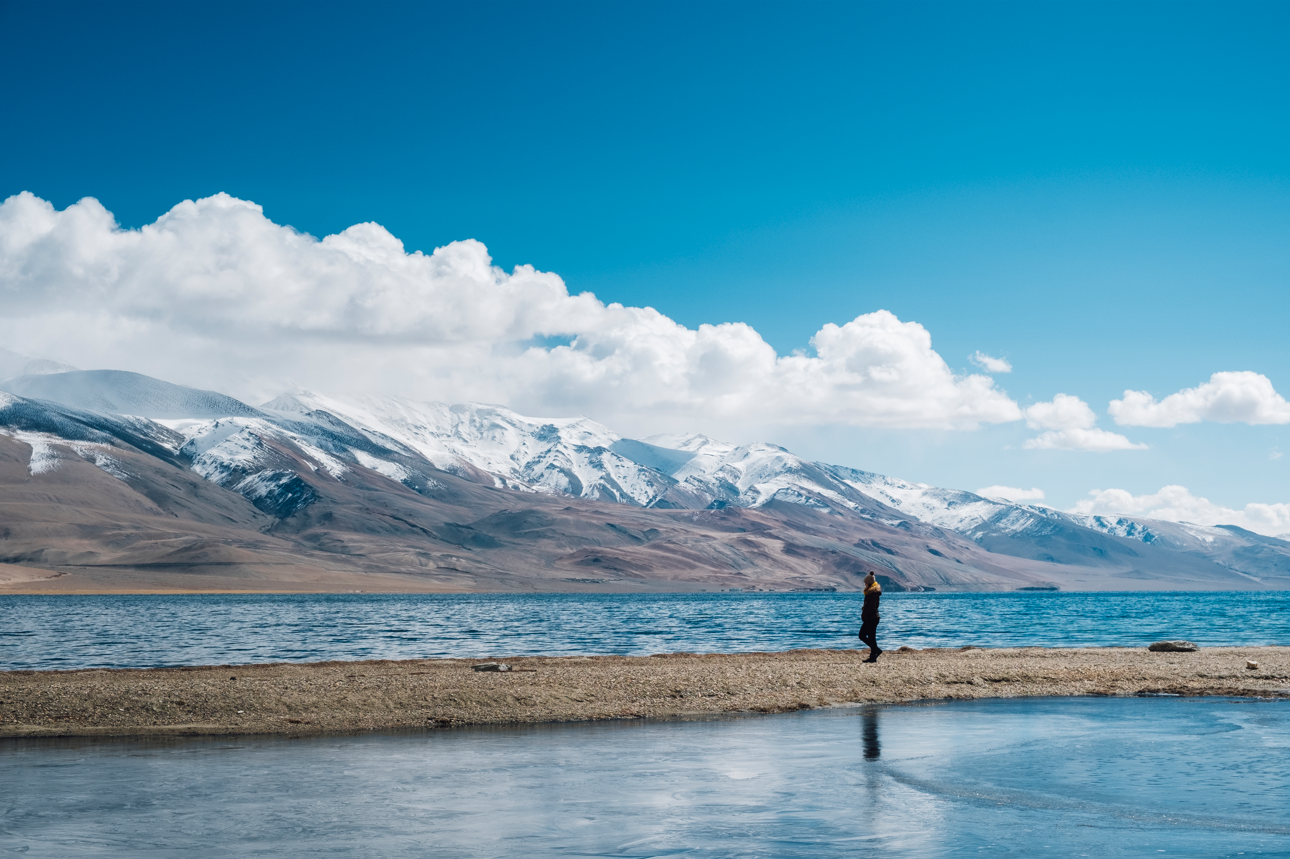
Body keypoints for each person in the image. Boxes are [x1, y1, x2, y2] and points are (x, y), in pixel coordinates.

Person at [858, 572, 882, 662]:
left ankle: (873, 657)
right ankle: (876, 651)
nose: (865, 584)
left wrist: (865, 613)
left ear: (869, 583)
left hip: (872, 618)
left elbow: (873, 607)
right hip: (870, 617)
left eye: (866, 583)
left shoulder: (873, 593)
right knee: (862, 635)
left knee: (871, 637)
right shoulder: (870, 593)